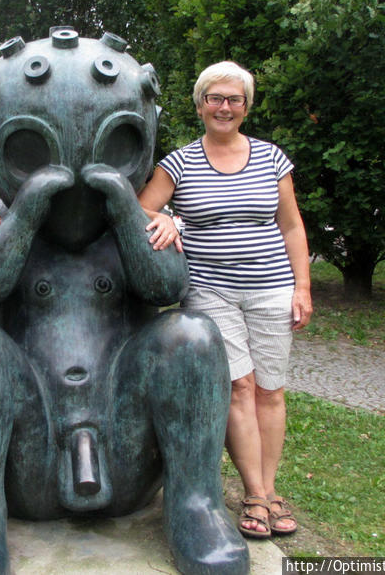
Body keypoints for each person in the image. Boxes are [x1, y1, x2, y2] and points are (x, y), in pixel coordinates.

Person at [137, 60, 312, 539]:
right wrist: (170, 218)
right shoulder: (178, 162)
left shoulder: (271, 158)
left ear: (246, 107)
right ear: (199, 105)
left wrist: (302, 286)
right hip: (210, 290)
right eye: (215, 98)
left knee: (271, 391)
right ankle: (255, 493)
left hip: (271, 287)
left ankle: (271, 490)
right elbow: (140, 208)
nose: (224, 107)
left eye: (234, 99)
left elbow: (292, 225)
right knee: (239, 387)